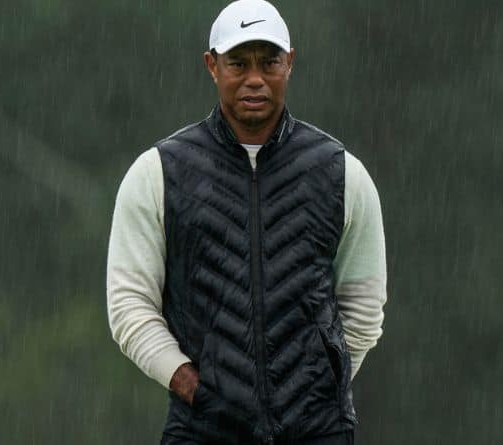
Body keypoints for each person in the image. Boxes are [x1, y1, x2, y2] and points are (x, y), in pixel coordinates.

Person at [106, 1, 387, 443]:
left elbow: (364, 308)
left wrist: (314, 389)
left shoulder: (342, 173)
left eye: (269, 61)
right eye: (238, 62)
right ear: (212, 66)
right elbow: (129, 307)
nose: (255, 78)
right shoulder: (157, 172)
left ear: (289, 62)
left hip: (319, 433)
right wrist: (194, 390)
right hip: (202, 431)